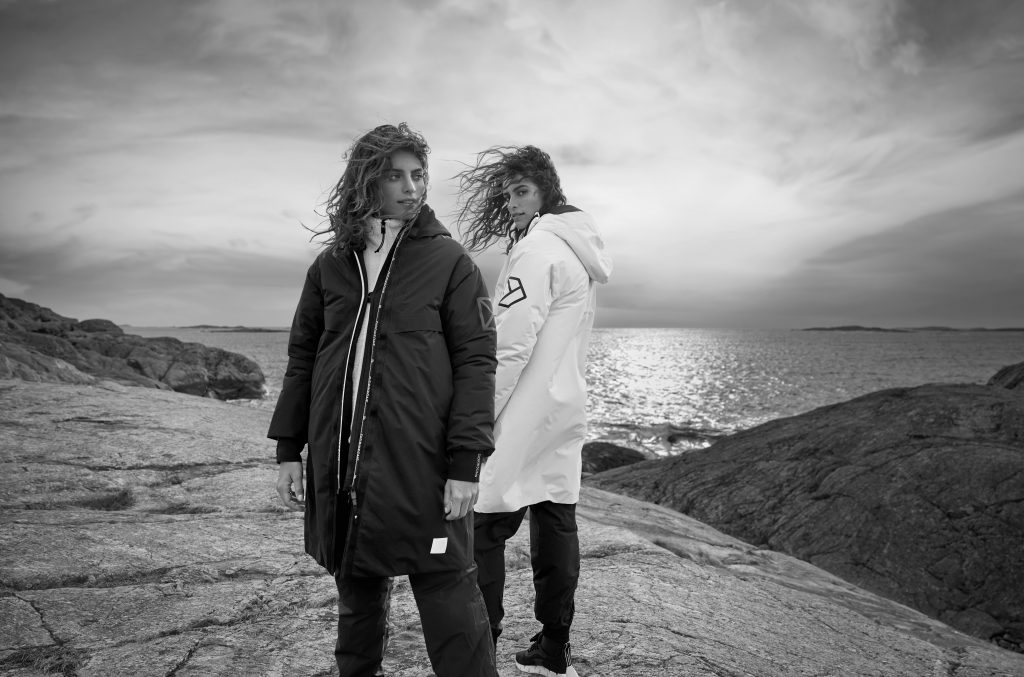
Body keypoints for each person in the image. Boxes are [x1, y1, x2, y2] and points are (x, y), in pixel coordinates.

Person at [269, 123, 498, 677]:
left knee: (449, 594)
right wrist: (288, 451)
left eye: (418, 175)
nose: (411, 187)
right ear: (366, 181)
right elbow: (304, 359)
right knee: (357, 592)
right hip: (343, 461)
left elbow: (476, 362)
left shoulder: (450, 263)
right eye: (394, 175)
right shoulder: (330, 266)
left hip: (419, 462)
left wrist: (465, 462)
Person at [454, 145, 613, 677]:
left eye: (521, 192)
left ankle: (483, 648)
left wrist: (475, 420)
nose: (513, 203)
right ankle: (554, 646)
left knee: (485, 526)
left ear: (547, 190)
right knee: (555, 518)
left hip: (524, 408)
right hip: (566, 404)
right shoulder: (579, 251)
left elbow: (508, 348)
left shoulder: (538, 251)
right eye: (508, 195)